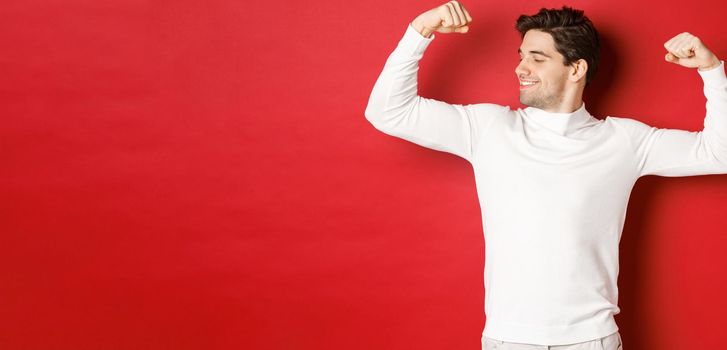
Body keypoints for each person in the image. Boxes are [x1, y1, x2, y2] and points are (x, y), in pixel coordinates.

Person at [364, 2, 727, 349]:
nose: (521, 68)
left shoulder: (624, 141)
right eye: (521, 56)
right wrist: (420, 30)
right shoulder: (489, 128)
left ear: (576, 69)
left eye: (537, 58)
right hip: (508, 339)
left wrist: (711, 71)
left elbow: (719, 153)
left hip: (592, 340)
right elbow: (388, 112)